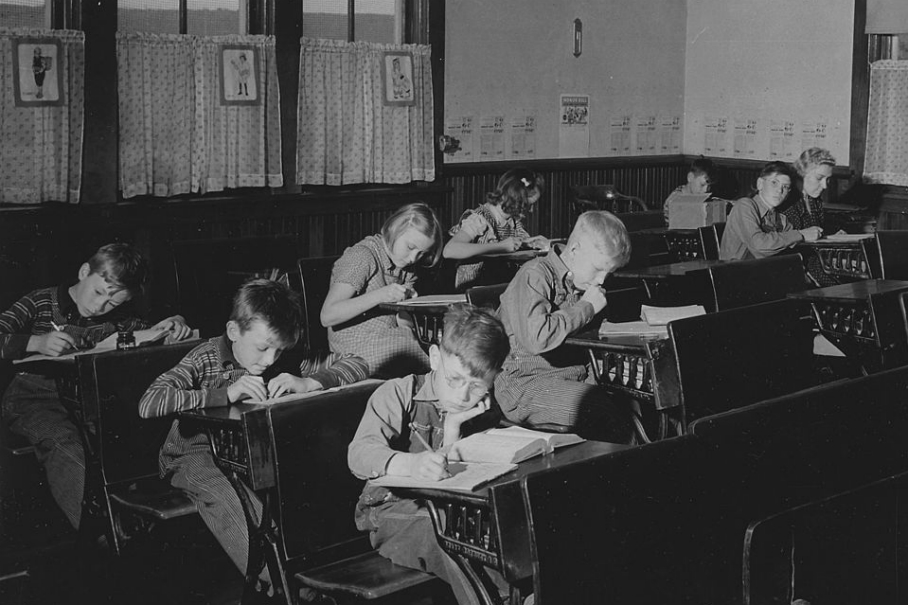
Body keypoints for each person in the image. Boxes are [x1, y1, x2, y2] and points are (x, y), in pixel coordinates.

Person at [139, 278, 368, 595]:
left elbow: (358, 363)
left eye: (279, 350)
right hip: (192, 456)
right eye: (262, 348)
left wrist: (309, 382)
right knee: (237, 504)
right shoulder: (205, 357)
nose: (270, 360)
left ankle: (312, 581)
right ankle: (288, 589)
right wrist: (224, 394)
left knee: (305, 492)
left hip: (251, 455)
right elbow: (150, 402)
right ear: (234, 331)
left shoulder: (282, 359)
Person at [0, 243, 192, 531]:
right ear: (84, 272)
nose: (100, 306)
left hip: (89, 401)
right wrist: (34, 342)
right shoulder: (40, 301)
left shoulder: (120, 320)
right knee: (65, 443)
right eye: (99, 292)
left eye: (113, 303)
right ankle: (98, 533)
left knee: (119, 443)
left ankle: (132, 524)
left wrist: (172, 325)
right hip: (33, 398)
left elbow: (150, 333)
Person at [348, 304, 509, 605]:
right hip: (392, 512)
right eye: (454, 379)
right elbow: (359, 454)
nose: (463, 396)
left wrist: (453, 430)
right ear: (435, 357)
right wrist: (411, 464)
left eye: (477, 387)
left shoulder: (483, 410)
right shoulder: (399, 393)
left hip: (453, 512)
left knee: (496, 535)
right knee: (448, 532)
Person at [494, 211, 634, 443]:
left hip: (574, 378)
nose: (601, 280)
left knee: (635, 400)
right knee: (599, 408)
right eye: (598, 269)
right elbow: (536, 338)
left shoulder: (581, 283)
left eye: (609, 273)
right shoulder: (534, 274)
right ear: (575, 249)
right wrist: (586, 307)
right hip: (525, 385)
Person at [321, 202, 444, 378]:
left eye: (422, 253)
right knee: (424, 355)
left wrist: (408, 308)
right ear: (394, 229)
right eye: (410, 247)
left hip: (387, 339)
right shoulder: (362, 256)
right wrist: (381, 295)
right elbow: (327, 316)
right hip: (353, 350)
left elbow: (402, 324)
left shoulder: (407, 269)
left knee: (439, 345)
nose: (413, 258)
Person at [444, 168, 550, 291]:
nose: (531, 210)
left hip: (496, 288)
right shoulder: (480, 218)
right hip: (472, 291)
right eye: (528, 204)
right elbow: (449, 250)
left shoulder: (512, 222)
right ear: (514, 198)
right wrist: (500, 247)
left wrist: (529, 243)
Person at [719, 161, 822, 261]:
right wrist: (800, 234)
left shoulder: (781, 219)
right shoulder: (745, 206)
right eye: (774, 182)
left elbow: (793, 240)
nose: (779, 190)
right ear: (760, 184)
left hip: (762, 269)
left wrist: (818, 236)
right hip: (736, 270)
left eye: (785, 187)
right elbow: (759, 245)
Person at [783, 148, 837, 285]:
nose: (825, 186)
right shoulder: (788, 201)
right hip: (797, 267)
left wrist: (833, 236)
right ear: (801, 174)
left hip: (818, 263)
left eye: (827, 179)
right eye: (819, 178)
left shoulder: (814, 199)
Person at [662, 156, 717, 224]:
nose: (705, 190)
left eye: (709, 186)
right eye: (702, 185)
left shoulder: (699, 196)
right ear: (690, 177)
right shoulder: (675, 199)